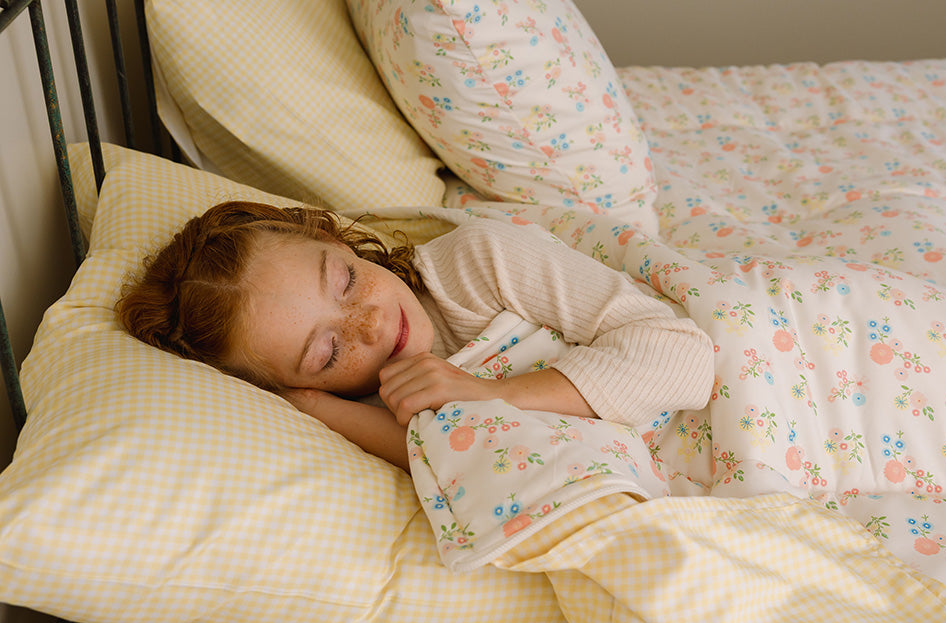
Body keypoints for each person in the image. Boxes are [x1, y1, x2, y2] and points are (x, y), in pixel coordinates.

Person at [117, 201, 714, 471]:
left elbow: (683, 357)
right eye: (327, 351)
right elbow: (434, 454)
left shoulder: (478, 265)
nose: (371, 323)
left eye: (346, 280)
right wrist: (312, 405)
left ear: (337, 240)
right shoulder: (361, 402)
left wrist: (489, 396)